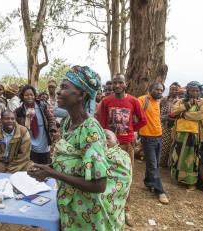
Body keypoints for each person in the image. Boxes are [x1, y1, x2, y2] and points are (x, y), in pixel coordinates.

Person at [28, 65, 130, 230]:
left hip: (89, 212)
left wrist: (52, 173)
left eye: (65, 87)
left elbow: (99, 185)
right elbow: (70, 161)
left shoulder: (90, 129)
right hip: (71, 205)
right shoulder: (68, 123)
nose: (59, 92)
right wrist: (46, 168)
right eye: (60, 87)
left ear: (82, 95)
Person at [98, 73, 147, 226]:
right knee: (109, 175)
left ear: (126, 83)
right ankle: (110, 205)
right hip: (110, 146)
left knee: (127, 176)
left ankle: (126, 209)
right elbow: (102, 124)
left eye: (120, 82)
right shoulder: (106, 101)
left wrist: (132, 130)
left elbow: (143, 120)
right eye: (115, 82)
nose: (117, 85)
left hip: (127, 145)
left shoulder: (133, 100)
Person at [170, 81, 203, 189]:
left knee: (191, 158)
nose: (195, 92)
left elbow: (202, 114)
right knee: (178, 156)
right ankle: (179, 178)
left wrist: (183, 114)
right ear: (188, 91)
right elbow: (174, 111)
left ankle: (190, 182)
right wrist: (188, 105)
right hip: (180, 132)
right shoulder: (181, 101)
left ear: (200, 91)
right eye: (192, 90)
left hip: (194, 133)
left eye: (197, 90)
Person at [138, 82, 169, 204]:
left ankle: (149, 182)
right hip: (147, 137)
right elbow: (133, 113)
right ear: (150, 89)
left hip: (158, 136)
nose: (159, 92)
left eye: (161, 90)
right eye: (157, 89)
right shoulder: (142, 100)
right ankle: (160, 191)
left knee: (154, 163)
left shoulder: (158, 102)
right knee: (153, 164)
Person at [15, 85, 58, 164]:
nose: (29, 97)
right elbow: (17, 127)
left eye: (31, 95)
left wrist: (52, 130)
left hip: (43, 139)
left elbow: (51, 119)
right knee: (32, 166)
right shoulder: (19, 111)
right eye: (26, 95)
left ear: (35, 96)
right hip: (29, 142)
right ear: (22, 96)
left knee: (45, 164)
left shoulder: (42, 106)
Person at [160, 82, 180, 167]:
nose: (173, 91)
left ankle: (166, 164)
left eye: (175, 90)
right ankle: (159, 162)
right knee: (160, 143)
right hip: (162, 123)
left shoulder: (179, 101)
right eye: (172, 89)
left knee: (170, 145)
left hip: (173, 126)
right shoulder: (163, 99)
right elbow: (158, 110)